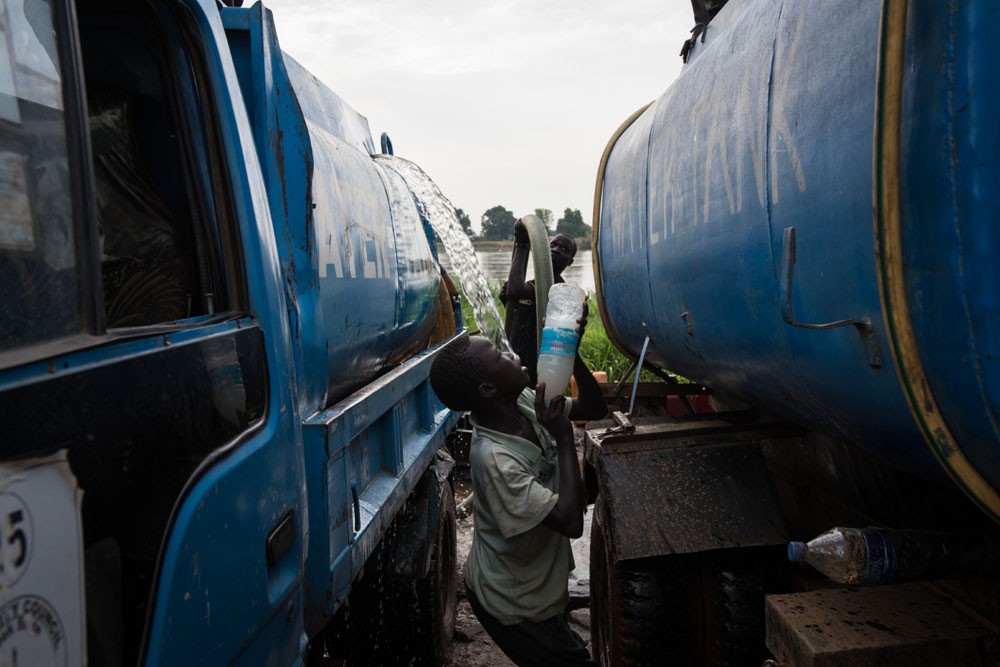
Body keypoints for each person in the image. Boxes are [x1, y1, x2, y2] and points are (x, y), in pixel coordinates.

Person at [429, 323, 606, 667]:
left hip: (530, 582)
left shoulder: (521, 401)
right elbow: (571, 521)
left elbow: (593, 407)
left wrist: (574, 353)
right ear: (488, 387)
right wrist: (565, 439)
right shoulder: (495, 459)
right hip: (511, 603)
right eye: (500, 355)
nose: (511, 354)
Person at [500, 219, 578, 386]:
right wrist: (507, 302)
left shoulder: (554, 286)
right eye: (553, 245)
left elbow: (515, 292)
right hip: (520, 359)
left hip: (533, 365)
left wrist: (522, 244)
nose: (556, 250)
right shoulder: (538, 283)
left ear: (570, 262)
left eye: (564, 249)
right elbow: (525, 317)